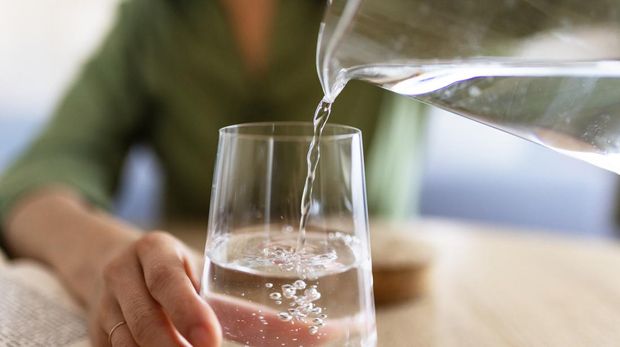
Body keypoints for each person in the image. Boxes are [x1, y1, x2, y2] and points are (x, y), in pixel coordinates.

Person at [0, 0, 418, 346]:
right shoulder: (155, 17)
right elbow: (40, 173)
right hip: (197, 315)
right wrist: (105, 256)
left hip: (397, 305)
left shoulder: (395, 10)